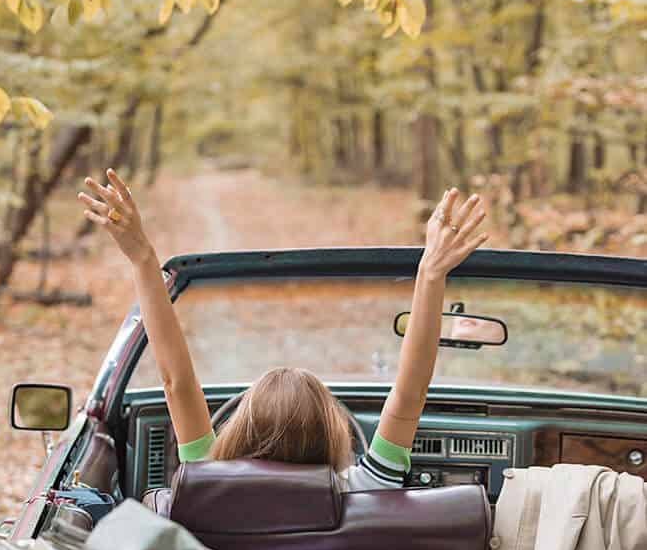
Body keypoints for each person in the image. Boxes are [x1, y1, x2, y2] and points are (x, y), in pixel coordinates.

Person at [78, 171, 487, 491]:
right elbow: (411, 392)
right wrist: (431, 272)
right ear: (331, 433)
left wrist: (143, 259)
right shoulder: (367, 488)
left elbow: (176, 383)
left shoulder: (206, 481)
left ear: (240, 431)